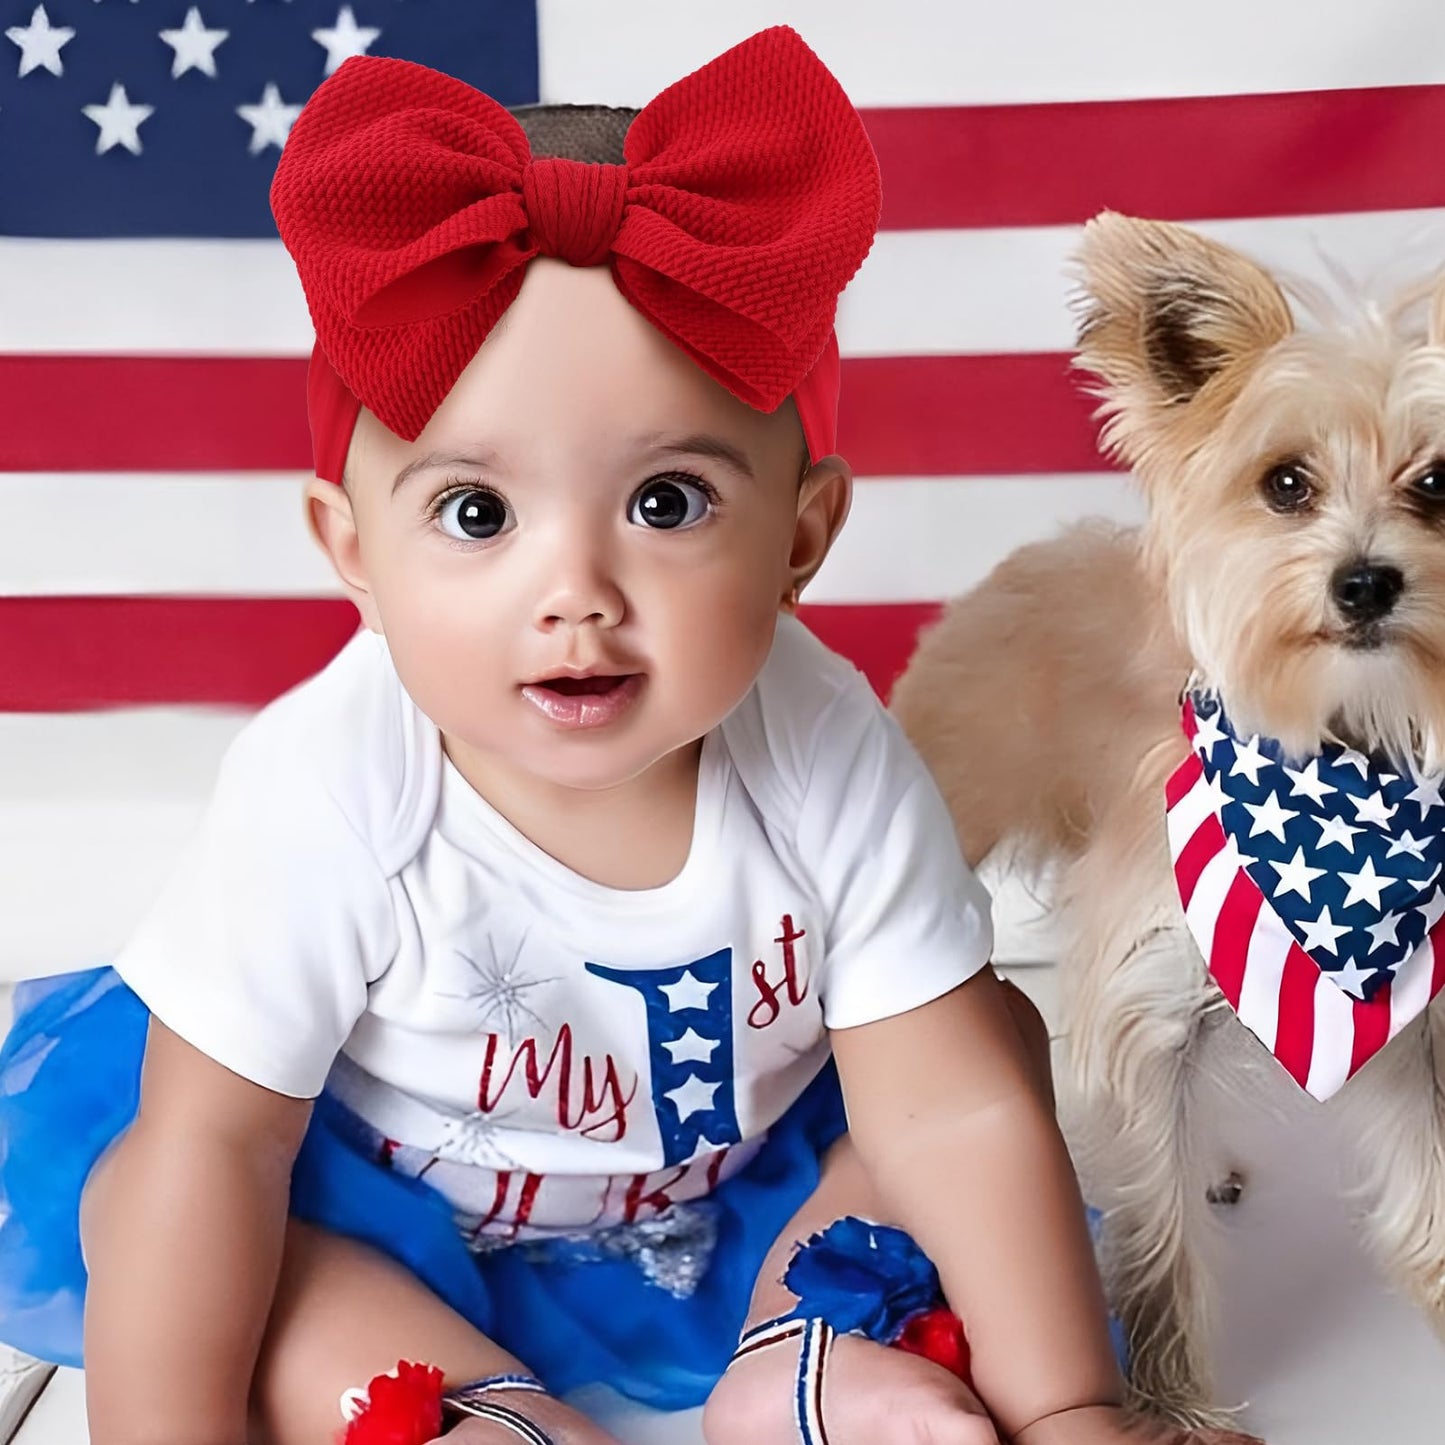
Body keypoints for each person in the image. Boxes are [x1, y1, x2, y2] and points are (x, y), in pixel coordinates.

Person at [0, 28, 1221, 1445]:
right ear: (351, 546)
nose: (575, 590)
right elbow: (208, 1156)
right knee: (237, 1260)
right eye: (475, 514)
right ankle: (487, 1418)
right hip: (380, 1205)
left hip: (738, 1188)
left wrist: (1067, 1403)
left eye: (666, 503)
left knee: (980, 1051)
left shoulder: (822, 749)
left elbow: (943, 1113)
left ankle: (808, 1355)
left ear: (800, 538)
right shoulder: (330, 786)